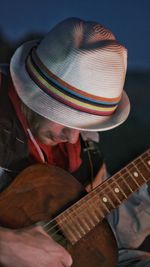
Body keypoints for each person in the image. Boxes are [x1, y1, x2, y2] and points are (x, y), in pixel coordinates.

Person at [0, 17, 149, 267]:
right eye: (67, 120)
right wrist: (6, 245)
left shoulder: (82, 148)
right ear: (35, 95)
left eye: (83, 126)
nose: (72, 137)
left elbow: (110, 238)